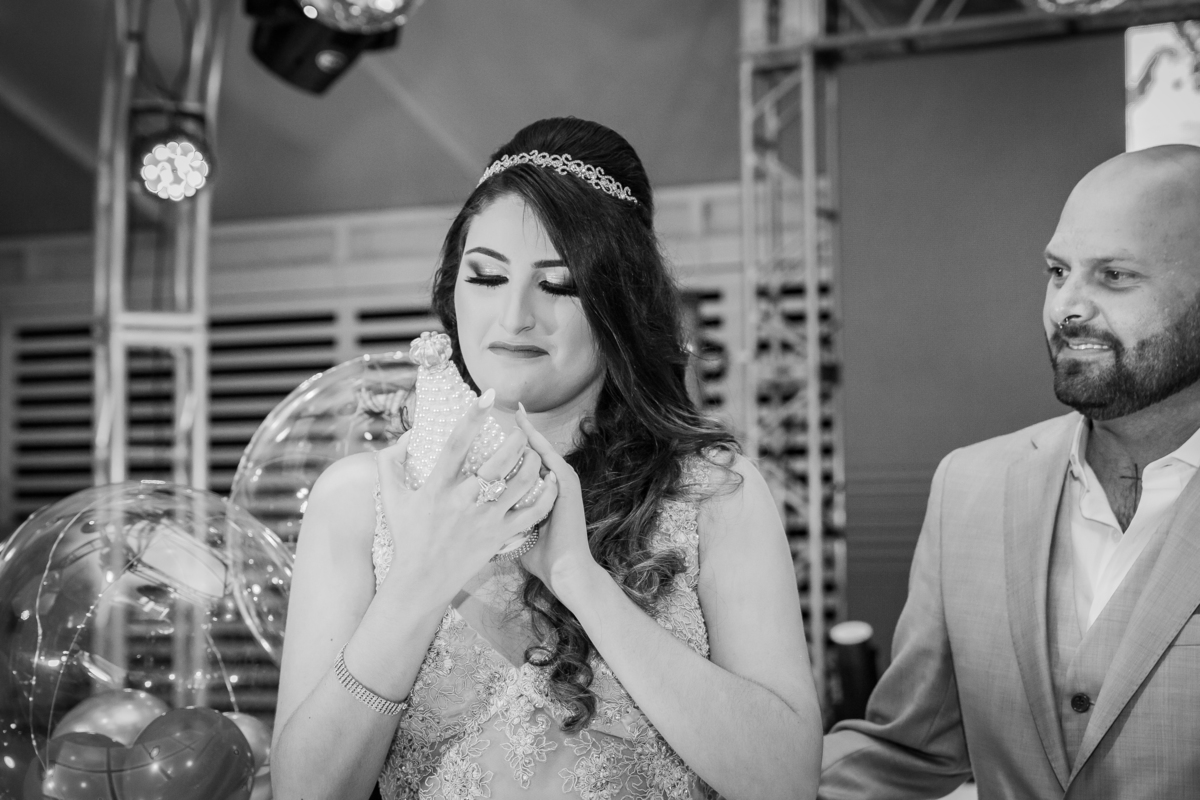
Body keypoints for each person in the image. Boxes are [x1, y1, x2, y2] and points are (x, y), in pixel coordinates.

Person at [271, 117, 823, 800]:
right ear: (453, 291)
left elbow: (788, 780)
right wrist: (421, 575)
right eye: (487, 278)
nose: (513, 319)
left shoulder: (712, 493)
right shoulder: (359, 500)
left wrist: (579, 580)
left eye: (557, 285)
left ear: (619, 303)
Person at [819, 144, 1200, 799]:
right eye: (1058, 271)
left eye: (1113, 275)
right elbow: (905, 753)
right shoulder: (969, 489)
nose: (1066, 307)